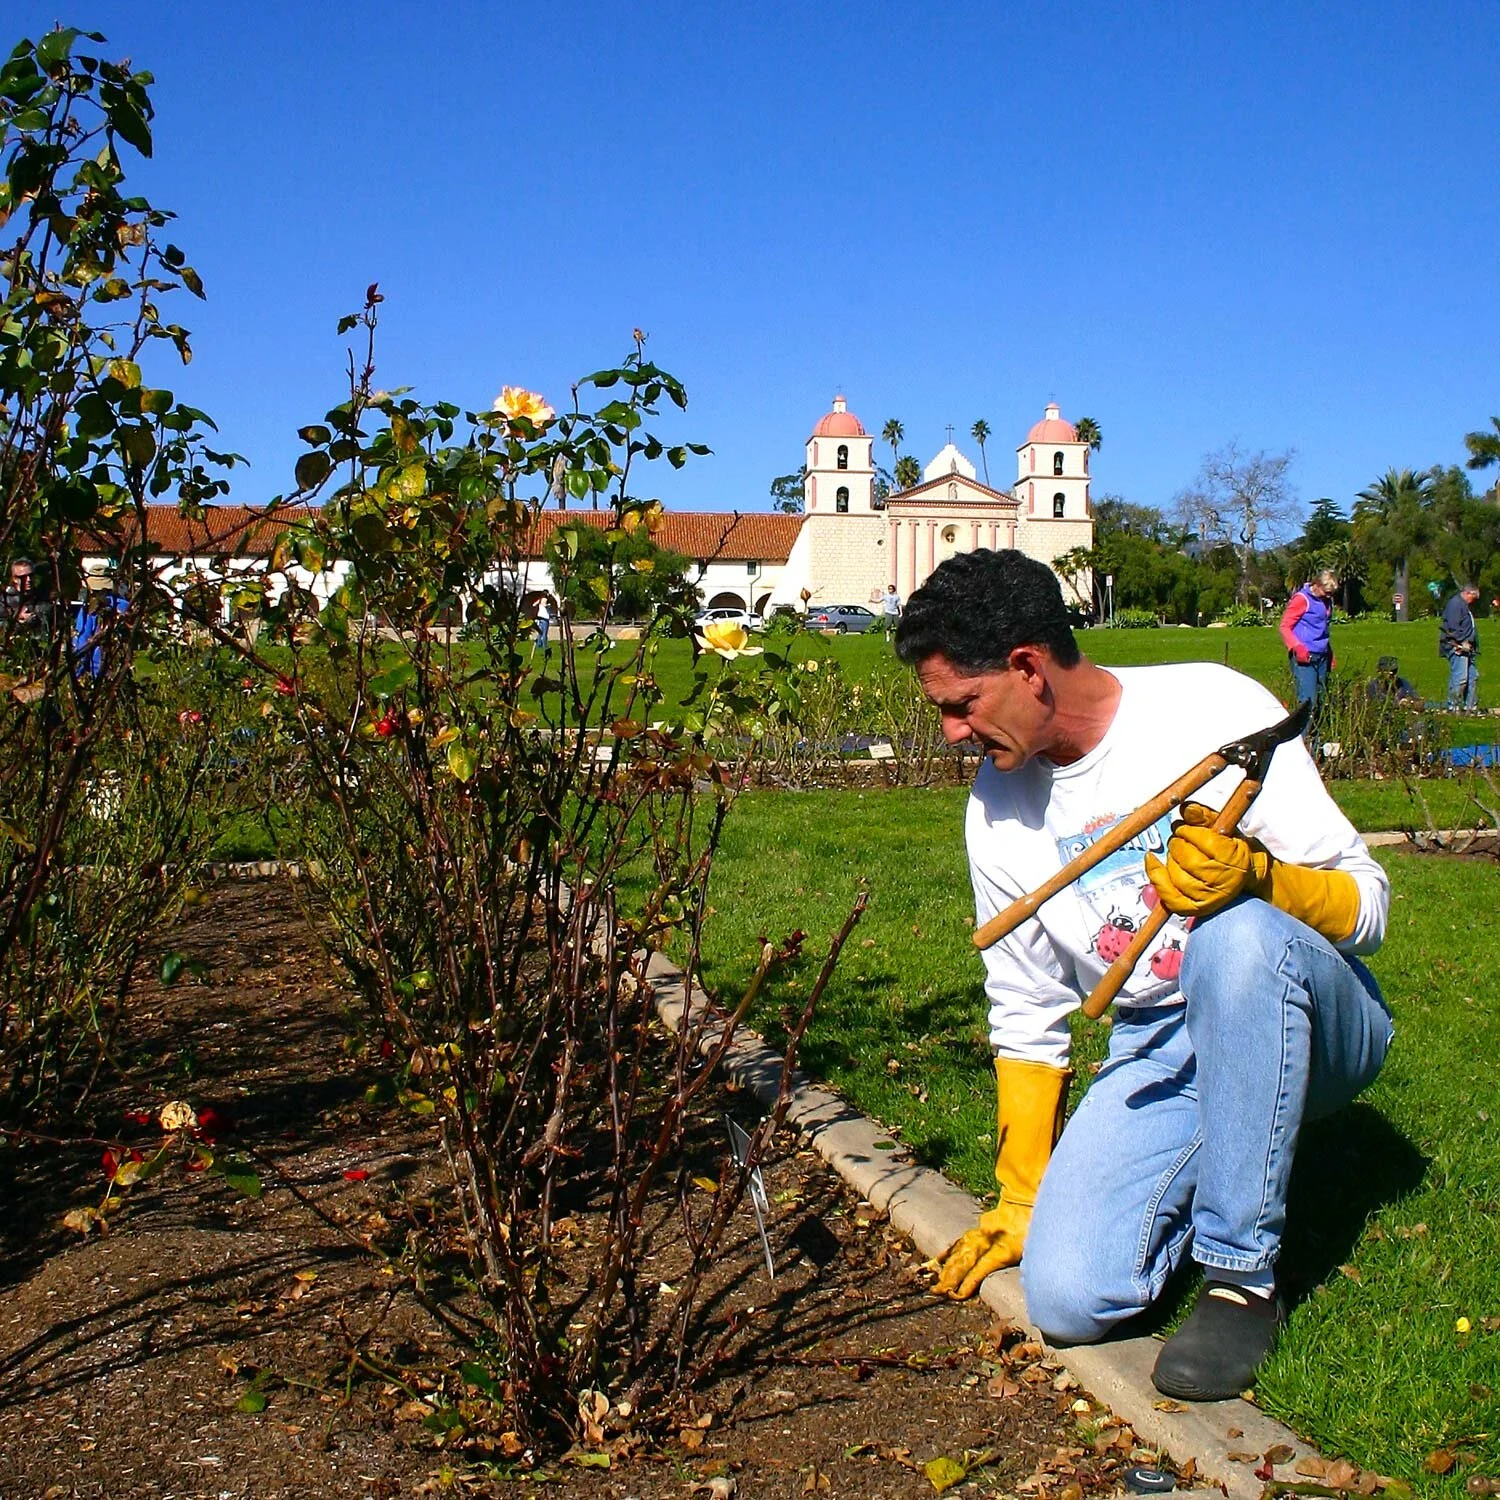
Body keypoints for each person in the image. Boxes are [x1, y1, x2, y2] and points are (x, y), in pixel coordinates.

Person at [895, 549, 1391, 1402]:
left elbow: (1370, 910)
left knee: (1232, 939)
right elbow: (1026, 1005)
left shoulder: (1210, 708)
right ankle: (1237, 1140)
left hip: (1305, 1007)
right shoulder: (996, 806)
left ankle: (1244, 1276)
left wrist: (1264, 881)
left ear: (1027, 667)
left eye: (960, 705)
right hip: (1159, 1038)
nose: (950, 732)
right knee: (1067, 1297)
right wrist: (1021, 1194)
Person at [1279, 569, 1338, 712]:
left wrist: (1329, 652)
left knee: (1322, 699)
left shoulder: (1326, 601)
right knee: (1308, 701)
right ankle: (1304, 734)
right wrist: (1297, 647)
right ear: (1317, 585)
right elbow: (1285, 626)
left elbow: (1323, 628)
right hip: (1305, 656)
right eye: (1326, 592)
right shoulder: (1301, 599)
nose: (1329, 596)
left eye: (1331, 593)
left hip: (1322, 655)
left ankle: (1317, 733)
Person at [1439, 584, 1480, 712]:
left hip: (1468, 649)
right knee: (1460, 677)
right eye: (1473, 598)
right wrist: (1462, 642)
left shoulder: (1463, 606)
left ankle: (1470, 707)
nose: (1473, 602)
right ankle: (1453, 706)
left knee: (1473, 676)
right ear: (1468, 593)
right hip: (1457, 647)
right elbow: (1452, 627)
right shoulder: (1455, 604)